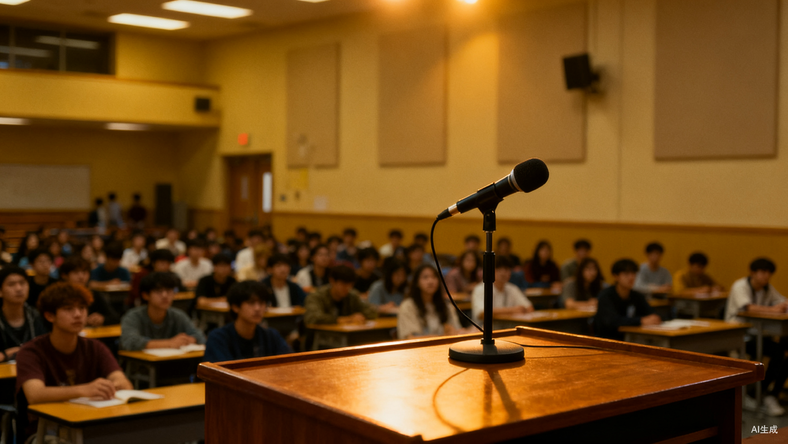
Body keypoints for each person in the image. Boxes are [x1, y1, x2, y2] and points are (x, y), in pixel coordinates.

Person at [15, 283, 132, 439]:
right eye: (68, 309)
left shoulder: (95, 347)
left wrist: (111, 387)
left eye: (82, 308)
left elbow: (124, 384)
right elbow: (35, 394)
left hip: (91, 423)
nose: (78, 314)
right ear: (50, 316)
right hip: (46, 433)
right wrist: (85, 390)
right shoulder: (31, 351)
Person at [725, 258, 788, 416]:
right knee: (778, 353)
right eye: (762, 272)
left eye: (769, 273)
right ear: (753, 272)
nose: (766, 276)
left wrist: (783, 305)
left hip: (758, 333)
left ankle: (771, 393)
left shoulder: (767, 288)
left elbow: (782, 300)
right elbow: (748, 307)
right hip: (739, 335)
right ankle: (759, 393)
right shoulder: (740, 285)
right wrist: (773, 310)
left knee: (784, 346)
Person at [204, 281, 292, 362]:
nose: (257, 308)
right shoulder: (218, 338)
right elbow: (222, 372)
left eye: (261, 303)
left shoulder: (271, 336)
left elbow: (290, 362)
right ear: (235, 307)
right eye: (251, 303)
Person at [120, 272, 205, 351]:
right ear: (145, 295)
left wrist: (190, 339)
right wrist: (169, 343)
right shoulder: (133, 316)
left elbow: (200, 336)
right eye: (158, 291)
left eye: (169, 291)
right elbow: (129, 341)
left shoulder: (178, 315)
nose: (165, 295)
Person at [594, 259, 661, 340]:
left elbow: (651, 312)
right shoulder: (605, 296)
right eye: (626, 274)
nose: (631, 277)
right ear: (616, 276)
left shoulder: (636, 296)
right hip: (607, 340)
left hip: (632, 339)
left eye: (633, 273)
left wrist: (654, 318)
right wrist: (640, 321)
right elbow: (612, 321)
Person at [397, 265, 466, 340]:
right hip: (419, 347)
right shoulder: (408, 306)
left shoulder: (446, 305)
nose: (430, 281)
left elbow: (457, 331)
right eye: (425, 277)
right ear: (417, 282)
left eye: (434, 277)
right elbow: (411, 338)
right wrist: (443, 336)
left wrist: (454, 332)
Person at [303, 265, 377, 325]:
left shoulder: (352, 295)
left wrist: (360, 316)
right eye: (343, 284)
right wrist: (344, 319)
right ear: (332, 281)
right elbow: (313, 318)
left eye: (350, 285)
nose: (347, 288)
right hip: (321, 336)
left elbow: (371, 311)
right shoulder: (317, 296)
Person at [1, 267, 46, 362]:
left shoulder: (36, 315)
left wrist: (8, 353)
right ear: (0, 291)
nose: (19, 288)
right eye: (11, 284)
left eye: (22, 283)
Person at [471, 256, 533, 325]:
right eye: (499, 269)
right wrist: (512, 310)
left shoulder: (512, 288)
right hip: (484, 328)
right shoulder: (481, 288)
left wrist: (517, 310)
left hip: (508, 328)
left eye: (507, 269)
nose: (503, 272)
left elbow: (529, 307)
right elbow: (482, 313)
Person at [60, 257, 119, 327]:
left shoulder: (94, 294)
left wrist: (102, 319)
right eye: (76, 272)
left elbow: (115, 317)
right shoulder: (59, 296)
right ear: (64, 275)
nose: (81, 276)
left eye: (84, 272)